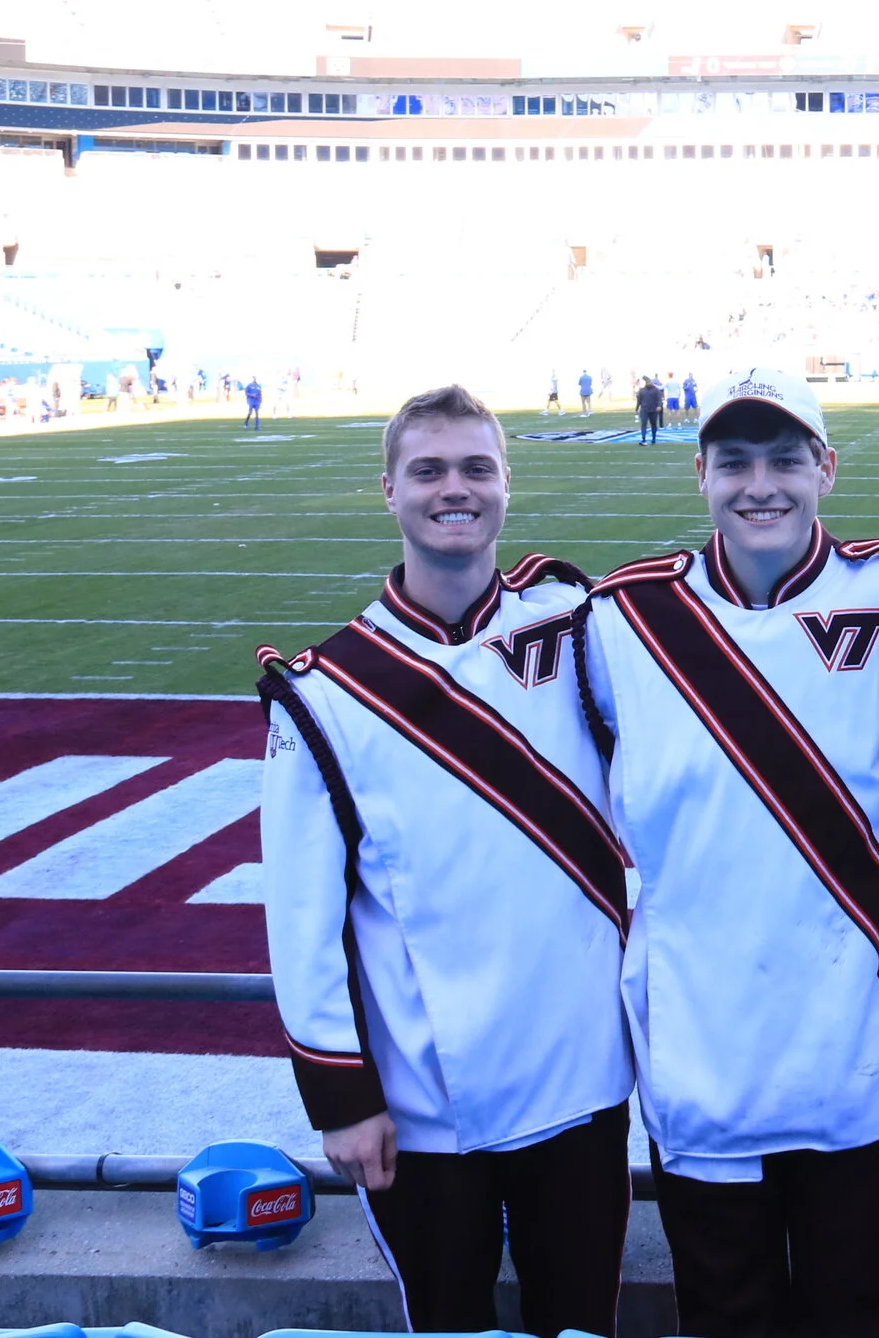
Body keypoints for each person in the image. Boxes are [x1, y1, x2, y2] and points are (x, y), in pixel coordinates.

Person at [256, 385, 632, 1338]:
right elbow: (303, 923)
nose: (452, 489)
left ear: (507, 485)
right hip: (423, 1104)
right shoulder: (325, 690)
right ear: (388, 489)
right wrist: (341, 1098)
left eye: (476, 467)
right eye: (428, 469)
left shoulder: (581, 626)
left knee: (582, 1319)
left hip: (581, 1076)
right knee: (447, 1322)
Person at [582, 367, 879, 1338]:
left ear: (825, 468)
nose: (761, 483)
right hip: (702, 1048)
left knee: (855, 1313)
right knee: (725, 1313)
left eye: (786, 458)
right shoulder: (620, 620)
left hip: (856, 1044)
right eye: (735, 460)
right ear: (698, 472)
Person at [636, 375, 663, 446]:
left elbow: (659, 399)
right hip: (644, 410)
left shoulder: (656, 390)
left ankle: (653, 439)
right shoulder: (642, 391)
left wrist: (659, 406)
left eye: (649, 382)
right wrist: (636, 409)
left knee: (653, 424)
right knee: (643, 424)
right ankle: (643, 439)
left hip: (653, 410)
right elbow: (639, 401)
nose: (648, 383)